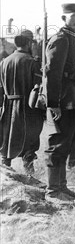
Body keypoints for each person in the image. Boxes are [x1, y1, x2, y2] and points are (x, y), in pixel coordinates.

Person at [43, 3, 75, 204]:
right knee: (57, 144)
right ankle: (53, 191)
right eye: (74, 16)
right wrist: (53, 103)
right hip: (62, 102)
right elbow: (52, 72)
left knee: (66, 144)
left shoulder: (71, 38)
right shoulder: (61, 39)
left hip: (72, 101)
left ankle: (62, 187)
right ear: (63, 18)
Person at [0, 31, 44, 174]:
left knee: (7, 138)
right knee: (29, 140)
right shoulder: (32, 62)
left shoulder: (4, 62)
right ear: (29, 43)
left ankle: (5, 172)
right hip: (27, 108)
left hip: (8, 107)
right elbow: (38, 87)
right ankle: (29, 174)